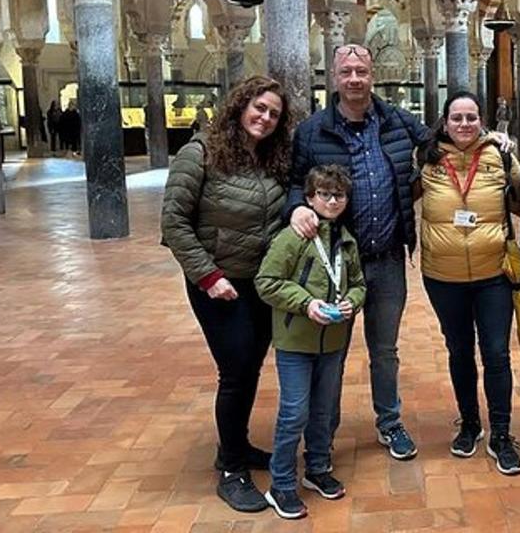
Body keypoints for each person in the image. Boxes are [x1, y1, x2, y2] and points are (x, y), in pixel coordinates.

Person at [287, 43, 432, 461]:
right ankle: (322, 435)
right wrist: (296, 207)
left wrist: (491, 139)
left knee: (384, 351)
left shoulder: (396, 120)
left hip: (387, 260)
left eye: (361, 71)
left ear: (372, 75)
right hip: (337, 264)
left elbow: (441, 140)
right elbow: (295, 182)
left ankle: (390, 422)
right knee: (331, 352)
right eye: (346, 72)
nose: (354, 79)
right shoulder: (312, 131)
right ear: (334, 76)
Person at [160, 75, 293, 513]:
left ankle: (235, 445)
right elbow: (174, 222)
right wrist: (209, 276)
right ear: (240, 106)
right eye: (259, 108)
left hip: (260, 283)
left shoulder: (272, 157)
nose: (265, 118)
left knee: (250, 366)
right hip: (218, 284)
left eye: (274, 114)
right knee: (235, 370)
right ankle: (232, 471)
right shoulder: (200, 152)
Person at [416, 91, 520, 475]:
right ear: (445, 123)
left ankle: (502, 433)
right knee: (459, 350)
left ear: (482, 121)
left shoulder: (500, 155)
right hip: (443, 277)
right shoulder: (425, 158)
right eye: (457, 118)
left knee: (496, 353)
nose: (464, 124)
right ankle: (470, 423)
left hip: (493, 275)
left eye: (471, 117)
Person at [256, 164, 366, 519]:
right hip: (295, 342)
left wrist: (353, 301)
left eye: (339, 195)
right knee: (294, 413)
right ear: (309, 198)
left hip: (332, 342)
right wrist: (306, 303)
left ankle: (318, 468)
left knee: (323, 410)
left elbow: (358, 284)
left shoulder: (346, 240)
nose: (332, 201)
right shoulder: (293, 238)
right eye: (324, 195)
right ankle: (281, 484)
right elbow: (267, 281)